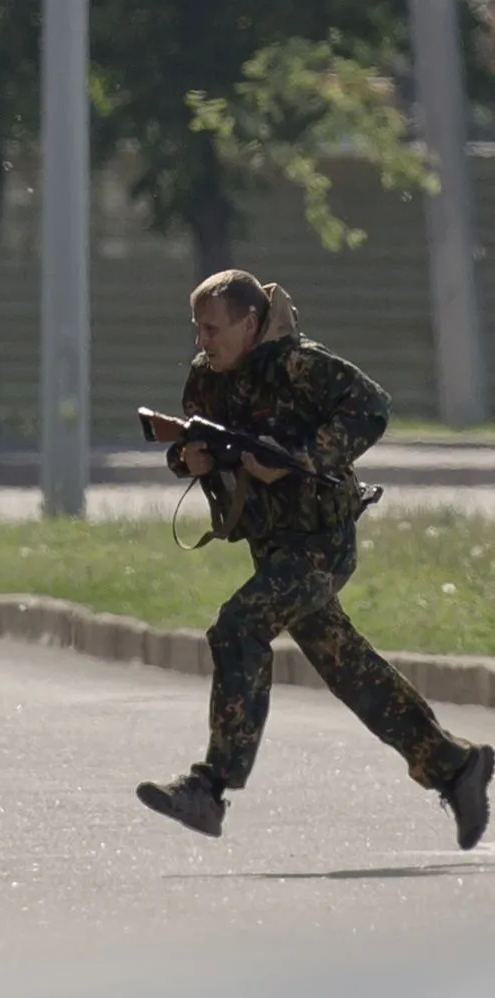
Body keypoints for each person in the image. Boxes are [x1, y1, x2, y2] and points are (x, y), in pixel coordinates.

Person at [136, 268, 494, 850]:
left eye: (213, 329)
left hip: (322, 542)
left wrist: (299, 457)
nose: (202, 341)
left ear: (250, 323)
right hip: (273, 545)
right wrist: (190, 460)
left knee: (238, 626)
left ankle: (210, 786)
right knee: (348, 668)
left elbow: (373, 408)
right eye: (197, 328)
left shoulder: (301, 366)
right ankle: (455, 767)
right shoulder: (207, 377)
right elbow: (196, 445)